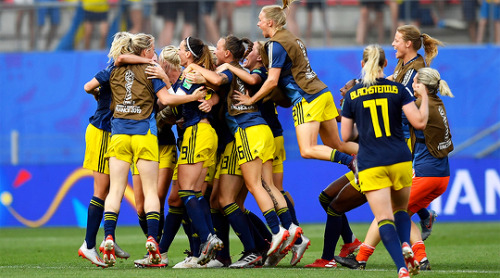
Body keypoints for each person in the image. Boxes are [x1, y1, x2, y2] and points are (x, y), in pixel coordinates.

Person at [184, 35, 300, 265]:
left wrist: (195, 67)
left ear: (228, 53)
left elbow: (218, 80)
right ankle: (291, 230)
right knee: (266, 186)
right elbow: (219, 86)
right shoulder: (238, 71)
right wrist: (213, 97)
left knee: (251, 188)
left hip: (247, 131)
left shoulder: (234, 71)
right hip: (263, 131)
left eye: (218, 48)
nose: (215, 51)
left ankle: (276, 233)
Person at [97, 33, 206, 267]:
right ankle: (153, 241)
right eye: (152, 49)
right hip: (144, 136)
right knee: (150, 194)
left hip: (119, 135)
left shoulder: (114, 70)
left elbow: (91, 86)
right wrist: (193, 97)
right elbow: (166, 100)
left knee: (115, 190)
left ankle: (107, 236)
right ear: (145, 51)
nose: (155, 53)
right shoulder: (151, 71)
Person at [337, 67, 454, 272]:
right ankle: (422, 259)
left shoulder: (418, 105)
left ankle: (361, 259)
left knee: (386, 214)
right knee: (403, 214)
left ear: (423, 87)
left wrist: (348, 111)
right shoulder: (436, 103)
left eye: (415, 82)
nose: (412, 85)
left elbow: (384, 119)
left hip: (427, 173)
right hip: (440, 174)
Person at [234, 0, 358, 172]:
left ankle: (353, 162)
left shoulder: (275, 44)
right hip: (321, 92)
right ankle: (375, 155)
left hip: (307, 97)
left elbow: (272, 81)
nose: (258, 23)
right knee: (336, 144)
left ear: (270, 22)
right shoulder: (292, 37)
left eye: (260, 19)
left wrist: (251, 100)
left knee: (307, 150)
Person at [340, 44, 429, 278]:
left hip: (372, 161)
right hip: (400, 159)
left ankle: (402, 267)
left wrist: (365, 128)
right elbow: (419, 123)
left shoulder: (352, 94)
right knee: (401, 210)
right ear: (385, 64)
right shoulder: (399, 89)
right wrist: (426, 97)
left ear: (362, 64)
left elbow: (346, 136)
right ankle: (407, 245)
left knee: (383, 218)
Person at [78, 32, 133, 268]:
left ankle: (108, 238)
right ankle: (88, 246)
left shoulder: (122, 72)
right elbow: (87, 86)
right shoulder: (111, 70)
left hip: (113, 133)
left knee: (113, 191)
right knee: (101, 191)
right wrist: (99, 96)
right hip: (101, 131)